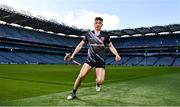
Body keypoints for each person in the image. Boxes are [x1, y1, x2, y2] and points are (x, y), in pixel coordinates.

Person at [67, 17, 121, 100]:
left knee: (100, 81)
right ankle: (73, 93)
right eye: (96, 22)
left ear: (102, 24)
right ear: (94, 24)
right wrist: (73, 55)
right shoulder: (88, 34)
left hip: (100, 60)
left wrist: (116, 54)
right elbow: (80, 45)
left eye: (99, 23)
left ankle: (98, 83)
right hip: (90, 59)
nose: (98, 24)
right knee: (81, 76)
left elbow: (111, 46)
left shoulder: (105, 35)